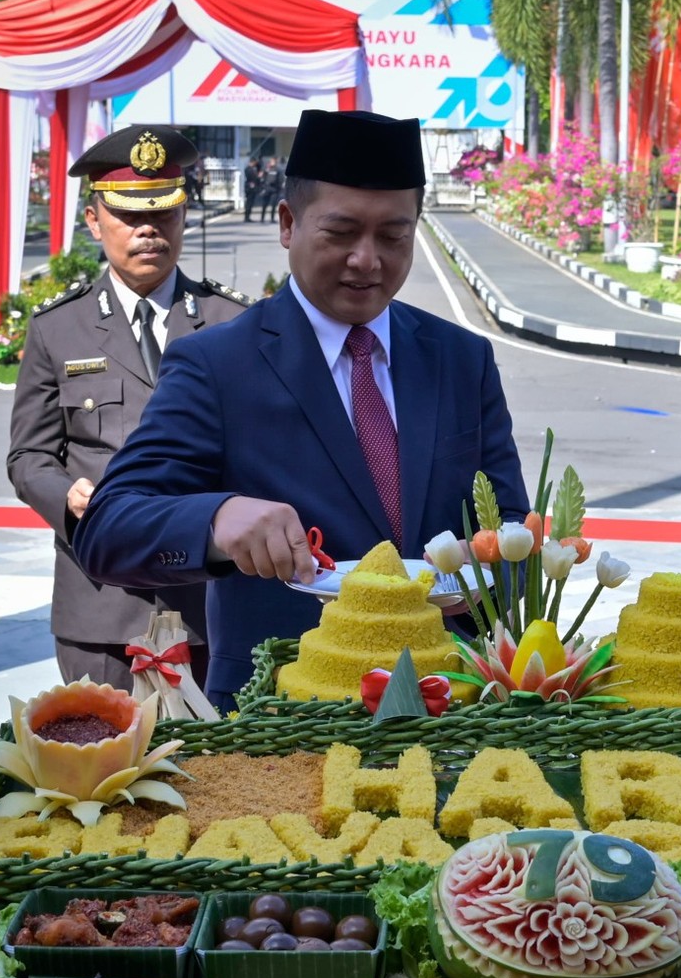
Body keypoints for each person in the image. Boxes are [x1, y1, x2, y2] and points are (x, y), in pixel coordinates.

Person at [73, 109, 528, 705]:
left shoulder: (460, 360)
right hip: (283, 709)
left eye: (393, 236)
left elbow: (516, 532)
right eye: (340, 233)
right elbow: (107, 529)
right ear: (288, 224)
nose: (368, 259)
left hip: (449, 699)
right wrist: (216, 520)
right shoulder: (219, 365)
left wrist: (482, 572)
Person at [6, 125, 252, 687]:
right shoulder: (58, 329)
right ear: (94, 221)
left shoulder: (232, 323)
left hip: (210, 605)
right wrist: (66, 497)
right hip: (100, 608)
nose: (148, 229)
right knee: (102, 767)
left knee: (217, 772)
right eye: (128, 215)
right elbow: (28, 457)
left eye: (163, 213)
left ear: (184, 216)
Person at [242, 156, 266, 222]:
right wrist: (258, 176)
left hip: (252, 188)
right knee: (249, 203)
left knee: (251, 203)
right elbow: (253, 177)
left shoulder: (252, 168)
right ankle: (246, 217)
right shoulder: (248, 169)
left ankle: (248, 217)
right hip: (249, 188)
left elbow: (259, 166)